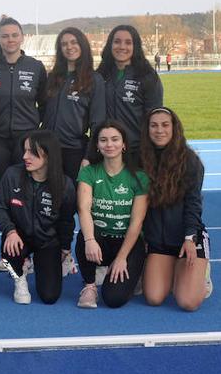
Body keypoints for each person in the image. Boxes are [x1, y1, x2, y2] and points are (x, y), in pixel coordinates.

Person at [0, 130, 77, 305]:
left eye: (31, 152)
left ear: (48, 155)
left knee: (50, 296)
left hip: (47, 241)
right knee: (8, 255)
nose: (25, 156)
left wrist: (65, 248)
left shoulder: (65, 184)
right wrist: (10, 231)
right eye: (24, 150)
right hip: (18, 237)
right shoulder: (12, 175)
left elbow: (67, 220)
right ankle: (19, 277)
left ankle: (44, 263)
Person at [140, 107, 211, 311]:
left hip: (186, 240)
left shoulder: (190, 161)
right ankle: (174, 273)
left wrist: (190, 237)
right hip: (158, 242)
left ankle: (202, 273)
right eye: (153, 125)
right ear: (147, 130)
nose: (159, 130)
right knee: (154, 298)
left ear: (174, 128)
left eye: (165, 125)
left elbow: (193, 203)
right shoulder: (140, 159)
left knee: (188, 303)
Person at [75, 121, 149, 309]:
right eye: (103, 140)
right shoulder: (89, 172)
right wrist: (90, 240)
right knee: (85, 235)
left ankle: (134, 271)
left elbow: (137, 221)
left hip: (127, 243)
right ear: (97, 146)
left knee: (113, 299)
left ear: (124, 144)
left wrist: (122, 257)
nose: (109, 144)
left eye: (115, 139)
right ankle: (89, 285)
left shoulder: (138, 177)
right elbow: (83, 209)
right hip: (100, 240)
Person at [0, 16, 47, 186]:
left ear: (22, 37)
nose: (10, 40)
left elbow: (45, 103)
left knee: (24, 186)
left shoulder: (35, 67)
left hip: (26, 139)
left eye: (15, 35)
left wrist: (33, 122)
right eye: (5, 36)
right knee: (2, 186)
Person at [40, 27, 106, 182]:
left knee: (72, 199)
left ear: (82, 44)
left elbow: (98, 123)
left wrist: (88, 156)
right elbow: (42, 111)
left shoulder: (94, 80)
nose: (69, 47)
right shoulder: (53, 78)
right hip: (47, 149)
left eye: (73, 42)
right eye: (64, 44)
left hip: (74, 151)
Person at [97, 25, 164, 149]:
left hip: (137, 150)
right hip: (108, 149)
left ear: (135, 47)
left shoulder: (147, 76)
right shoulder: (101, 75)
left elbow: (155, 116)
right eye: (117, 42)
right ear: (110, 45)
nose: (122, 47)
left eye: (128, 42)